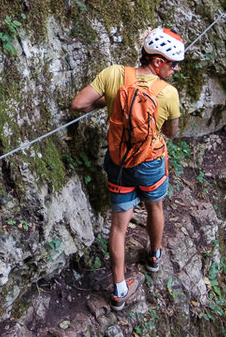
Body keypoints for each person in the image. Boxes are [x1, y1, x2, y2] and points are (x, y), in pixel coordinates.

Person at [69, 26, 186, 308]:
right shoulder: (168, 93)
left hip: (119, 162)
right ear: (157, 61)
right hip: (150, 163)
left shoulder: (113, 74)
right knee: (155, 207)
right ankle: (155, 256)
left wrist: (109, 101)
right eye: (174, 64)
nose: (176, 70)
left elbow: (78, 104)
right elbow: (171, 133)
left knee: (119, 226)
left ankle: (120, 289)